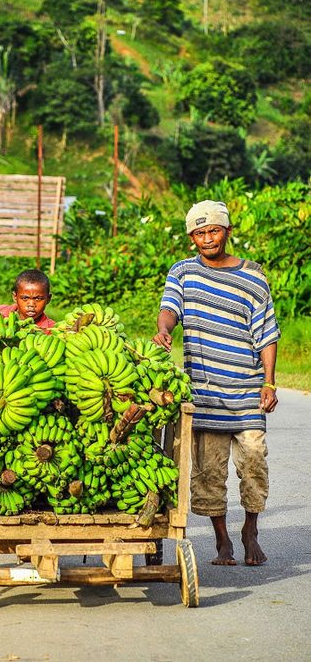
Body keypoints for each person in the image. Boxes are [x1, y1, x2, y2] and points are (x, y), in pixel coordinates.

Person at [153, 200, 280, 567]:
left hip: (245, 390)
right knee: (208, 473)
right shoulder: (182, 272)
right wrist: (164, 330)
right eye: (199, 232)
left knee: (254, 461)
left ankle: (250, 529)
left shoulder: (253, 276)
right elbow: (169, 307)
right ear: (191, 236)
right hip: (204, 393)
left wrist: (268, 383)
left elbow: (267, 332)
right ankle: (223, 540)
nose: (207, 238)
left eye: (213, 231)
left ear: (227, 231)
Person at [0, 268, 55, 333]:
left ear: (48, 299)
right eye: (25, 298)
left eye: (38, 299)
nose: (31, 304)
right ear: (15, 297)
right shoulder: (0, 314)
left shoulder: (51, 329)